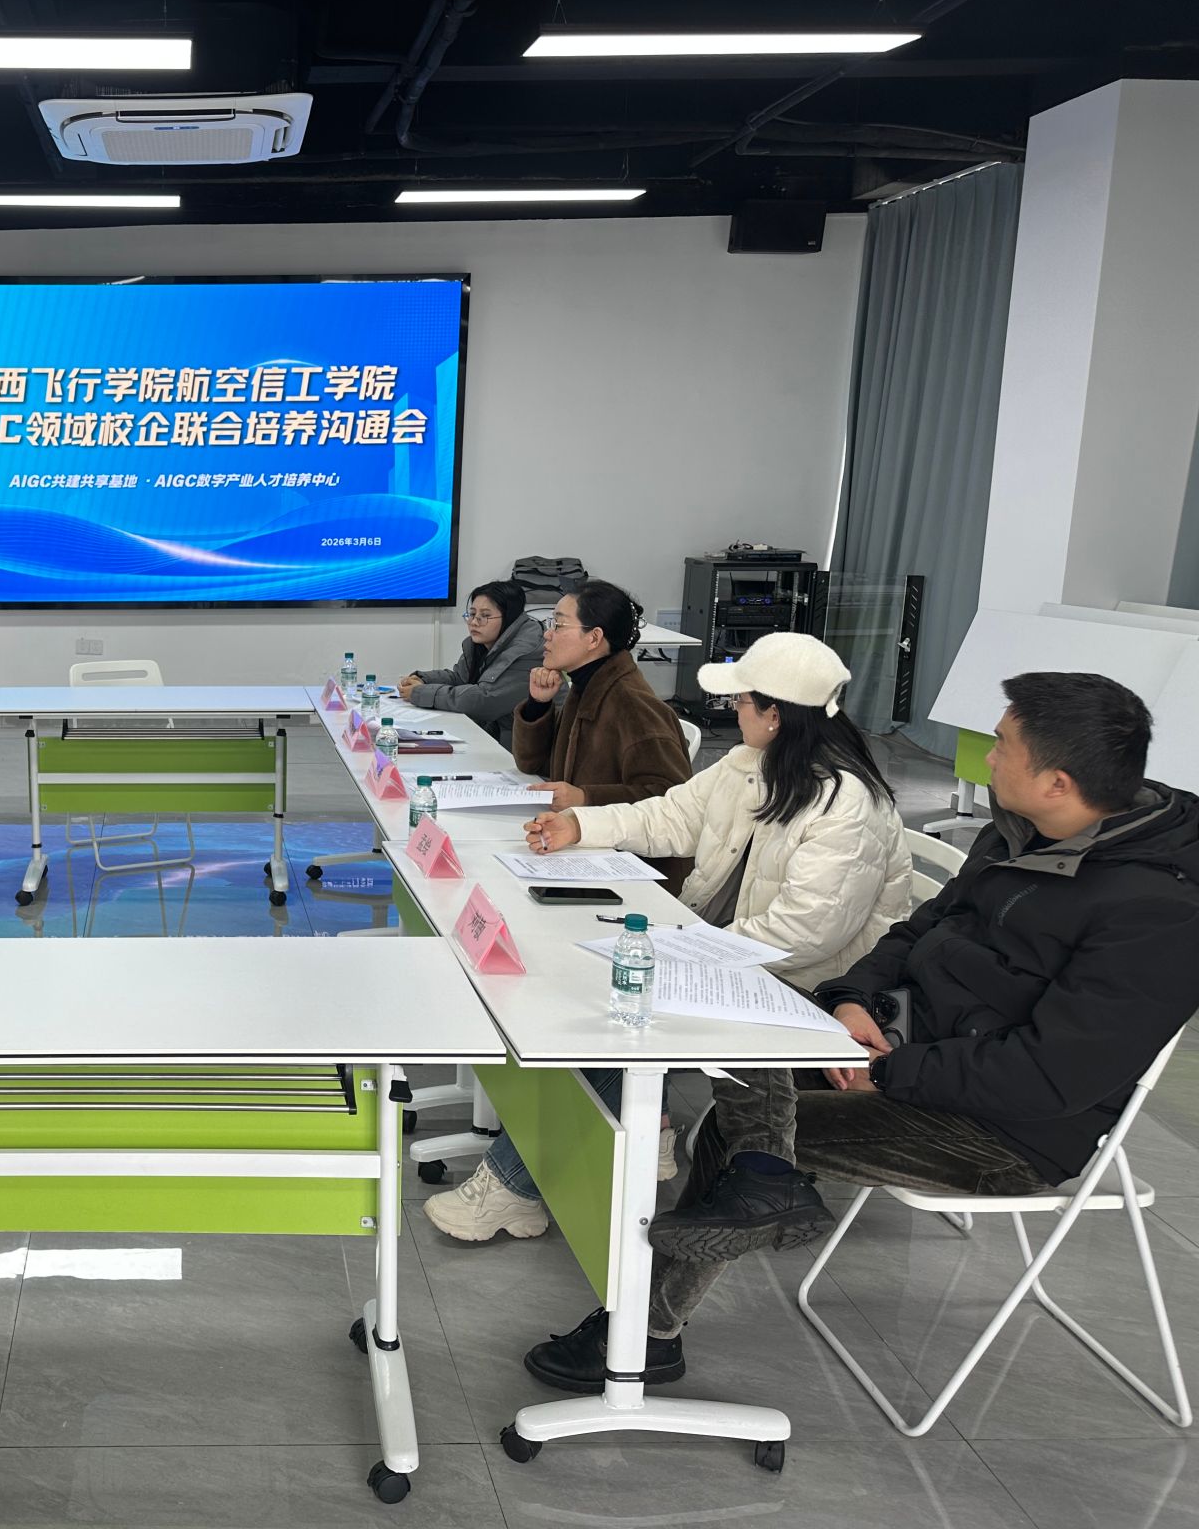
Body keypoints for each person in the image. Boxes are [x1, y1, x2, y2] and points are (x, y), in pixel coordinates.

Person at [521, 671, 1199, 1396]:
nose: (989, 754)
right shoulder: (1019, 834)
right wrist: (852, 1003)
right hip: (904, 1046)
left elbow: (1049, 1077)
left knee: (740, 1131)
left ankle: (644, 1334)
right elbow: (914, 933)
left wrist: (889, 1072)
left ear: (1058, 782)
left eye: (1003, 744)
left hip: (1004, 1131)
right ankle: (764, 1190)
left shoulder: (1157, 913)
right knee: (738, 1043)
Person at [426, 633, 910, 1243]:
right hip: (730, 954)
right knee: (606, 990)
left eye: (742, 701)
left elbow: (805, 933)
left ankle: (511, 1188)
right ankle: (631, 1131)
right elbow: (669, 815)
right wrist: (580, 825)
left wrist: (684, 953)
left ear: (777, 715)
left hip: (801, 985)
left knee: (621, 1015)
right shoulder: (749, 765)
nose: (733, 711)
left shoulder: (846, 803)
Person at [514, 580, 694, 889]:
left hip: (637, 874)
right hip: (587, 849)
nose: (547, 634)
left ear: (594, 638)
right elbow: (533, 765)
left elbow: (673, 802)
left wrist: (587, 797)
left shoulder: (633, 705)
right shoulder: (586, 686)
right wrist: (538, 705)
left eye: (558, 624)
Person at [397, 580, 542, 747]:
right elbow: (461, 678)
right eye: (472, 614)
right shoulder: (483, 643)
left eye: (485, 616)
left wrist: (421, 693)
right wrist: (423, 679)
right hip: (494, 737)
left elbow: (486, 701)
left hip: (523, 748)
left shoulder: (527, 650)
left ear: (510, 617)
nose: (474, 622)